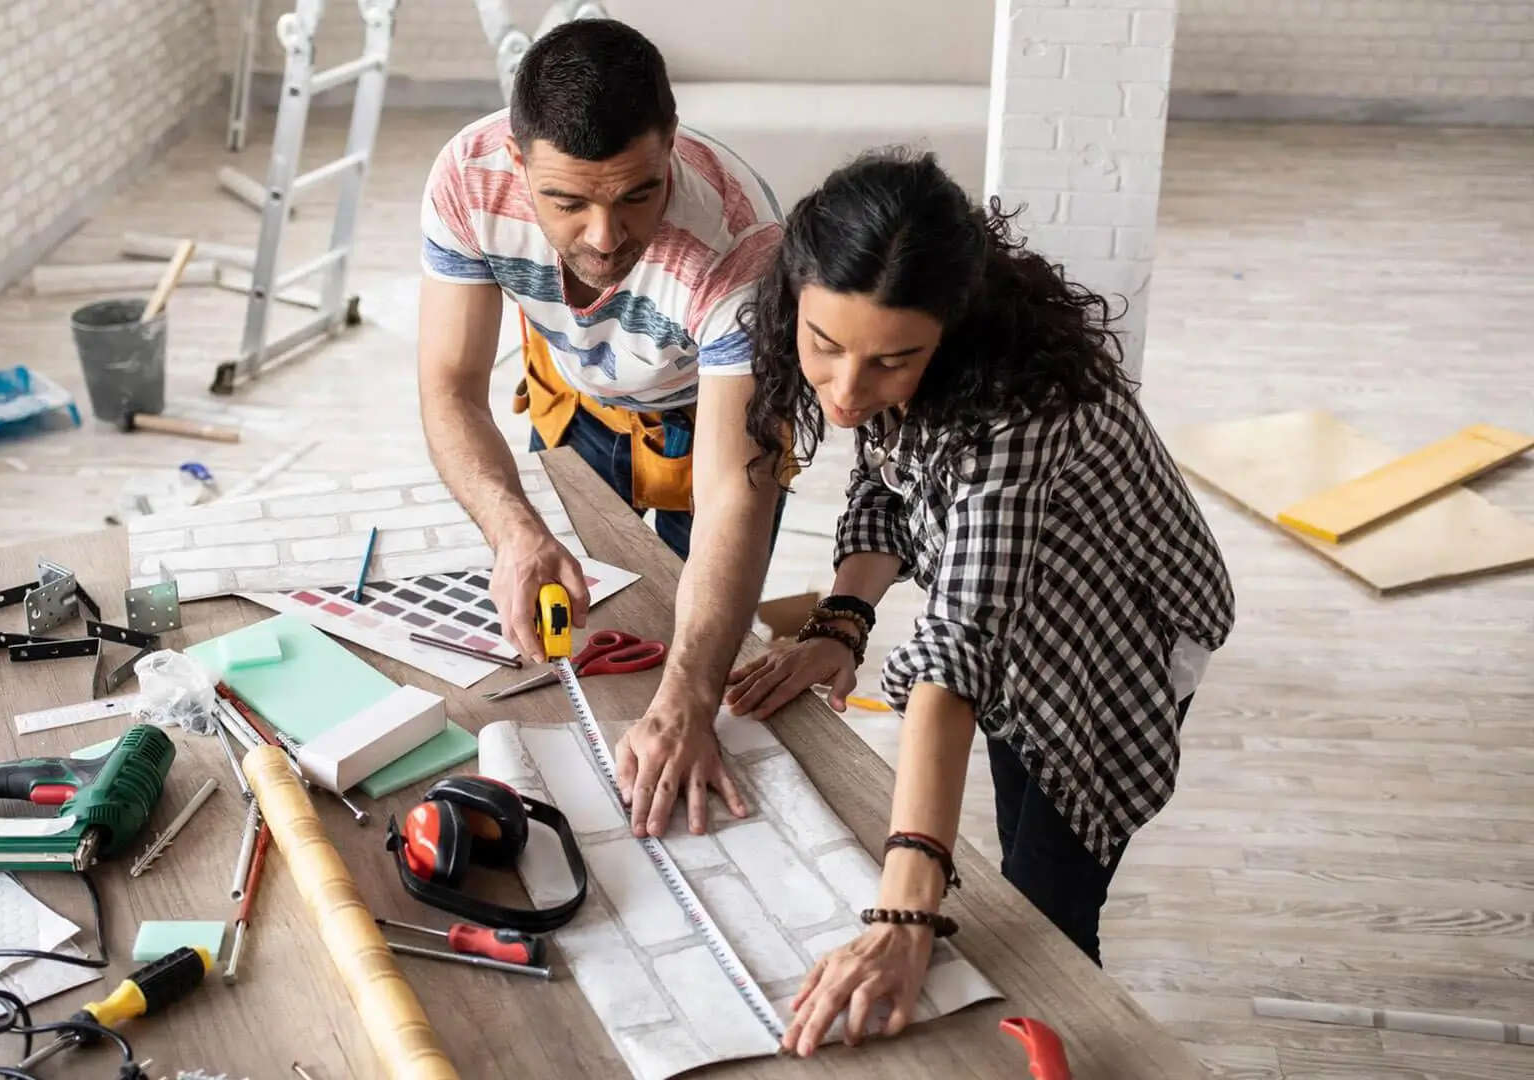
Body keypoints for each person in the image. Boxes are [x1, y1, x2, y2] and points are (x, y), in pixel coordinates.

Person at [719, 147, 1235, 1056]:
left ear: (951, 331)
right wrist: (842, 622)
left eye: (891, 363)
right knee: (1007, 802)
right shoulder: (885, 361)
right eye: (824, 347)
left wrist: (903, 907)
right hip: (1017, 614)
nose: (845, 392)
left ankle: (1066, 1039)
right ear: (796, 293)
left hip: (1121, 626)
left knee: (1047, 907)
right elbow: (885, 485)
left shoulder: (1017, 412)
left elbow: (957, 650)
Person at [417, 19, 793, 837]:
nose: (605, 237)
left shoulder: (744, 245)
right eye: (567, 201)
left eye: (637, 194)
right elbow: (449, 387)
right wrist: (514, 531)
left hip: (712, 416)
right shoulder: (468, 177)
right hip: (576, 394)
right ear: (518, 165)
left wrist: (692, 701)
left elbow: (736, 490)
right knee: (578, 627)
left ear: (671, 147)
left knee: (699, 657)